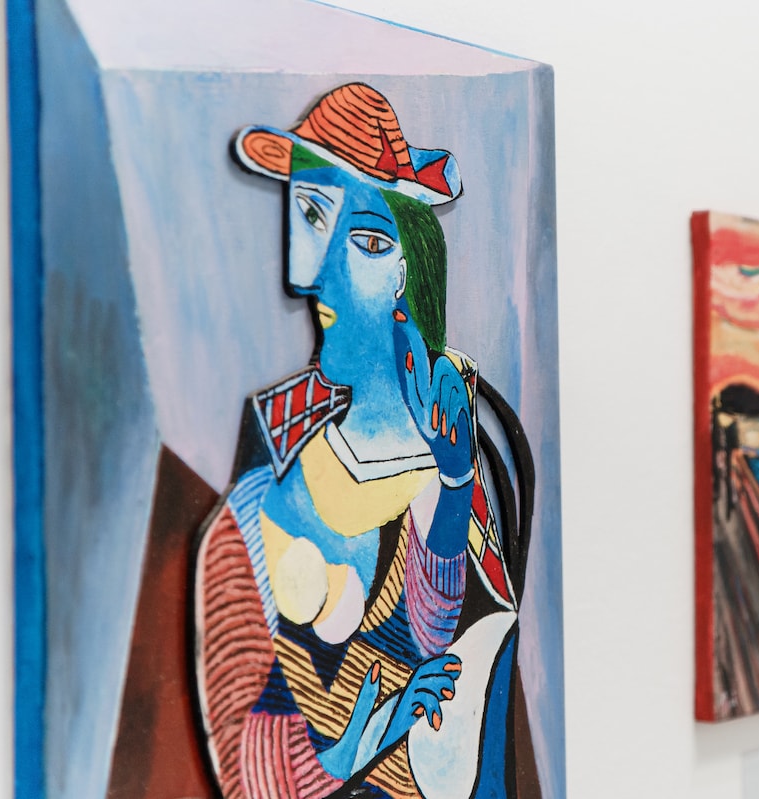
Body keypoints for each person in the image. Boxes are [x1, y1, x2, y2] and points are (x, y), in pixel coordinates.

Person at [193, 83, 524, 799]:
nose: (321, 280)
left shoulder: (450, 447)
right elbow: (241, 725)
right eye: (311, 217)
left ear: (411, 274)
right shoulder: (266, 470)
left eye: (368, 242)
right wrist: (345, 754)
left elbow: (440, 639)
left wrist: (455, 484)